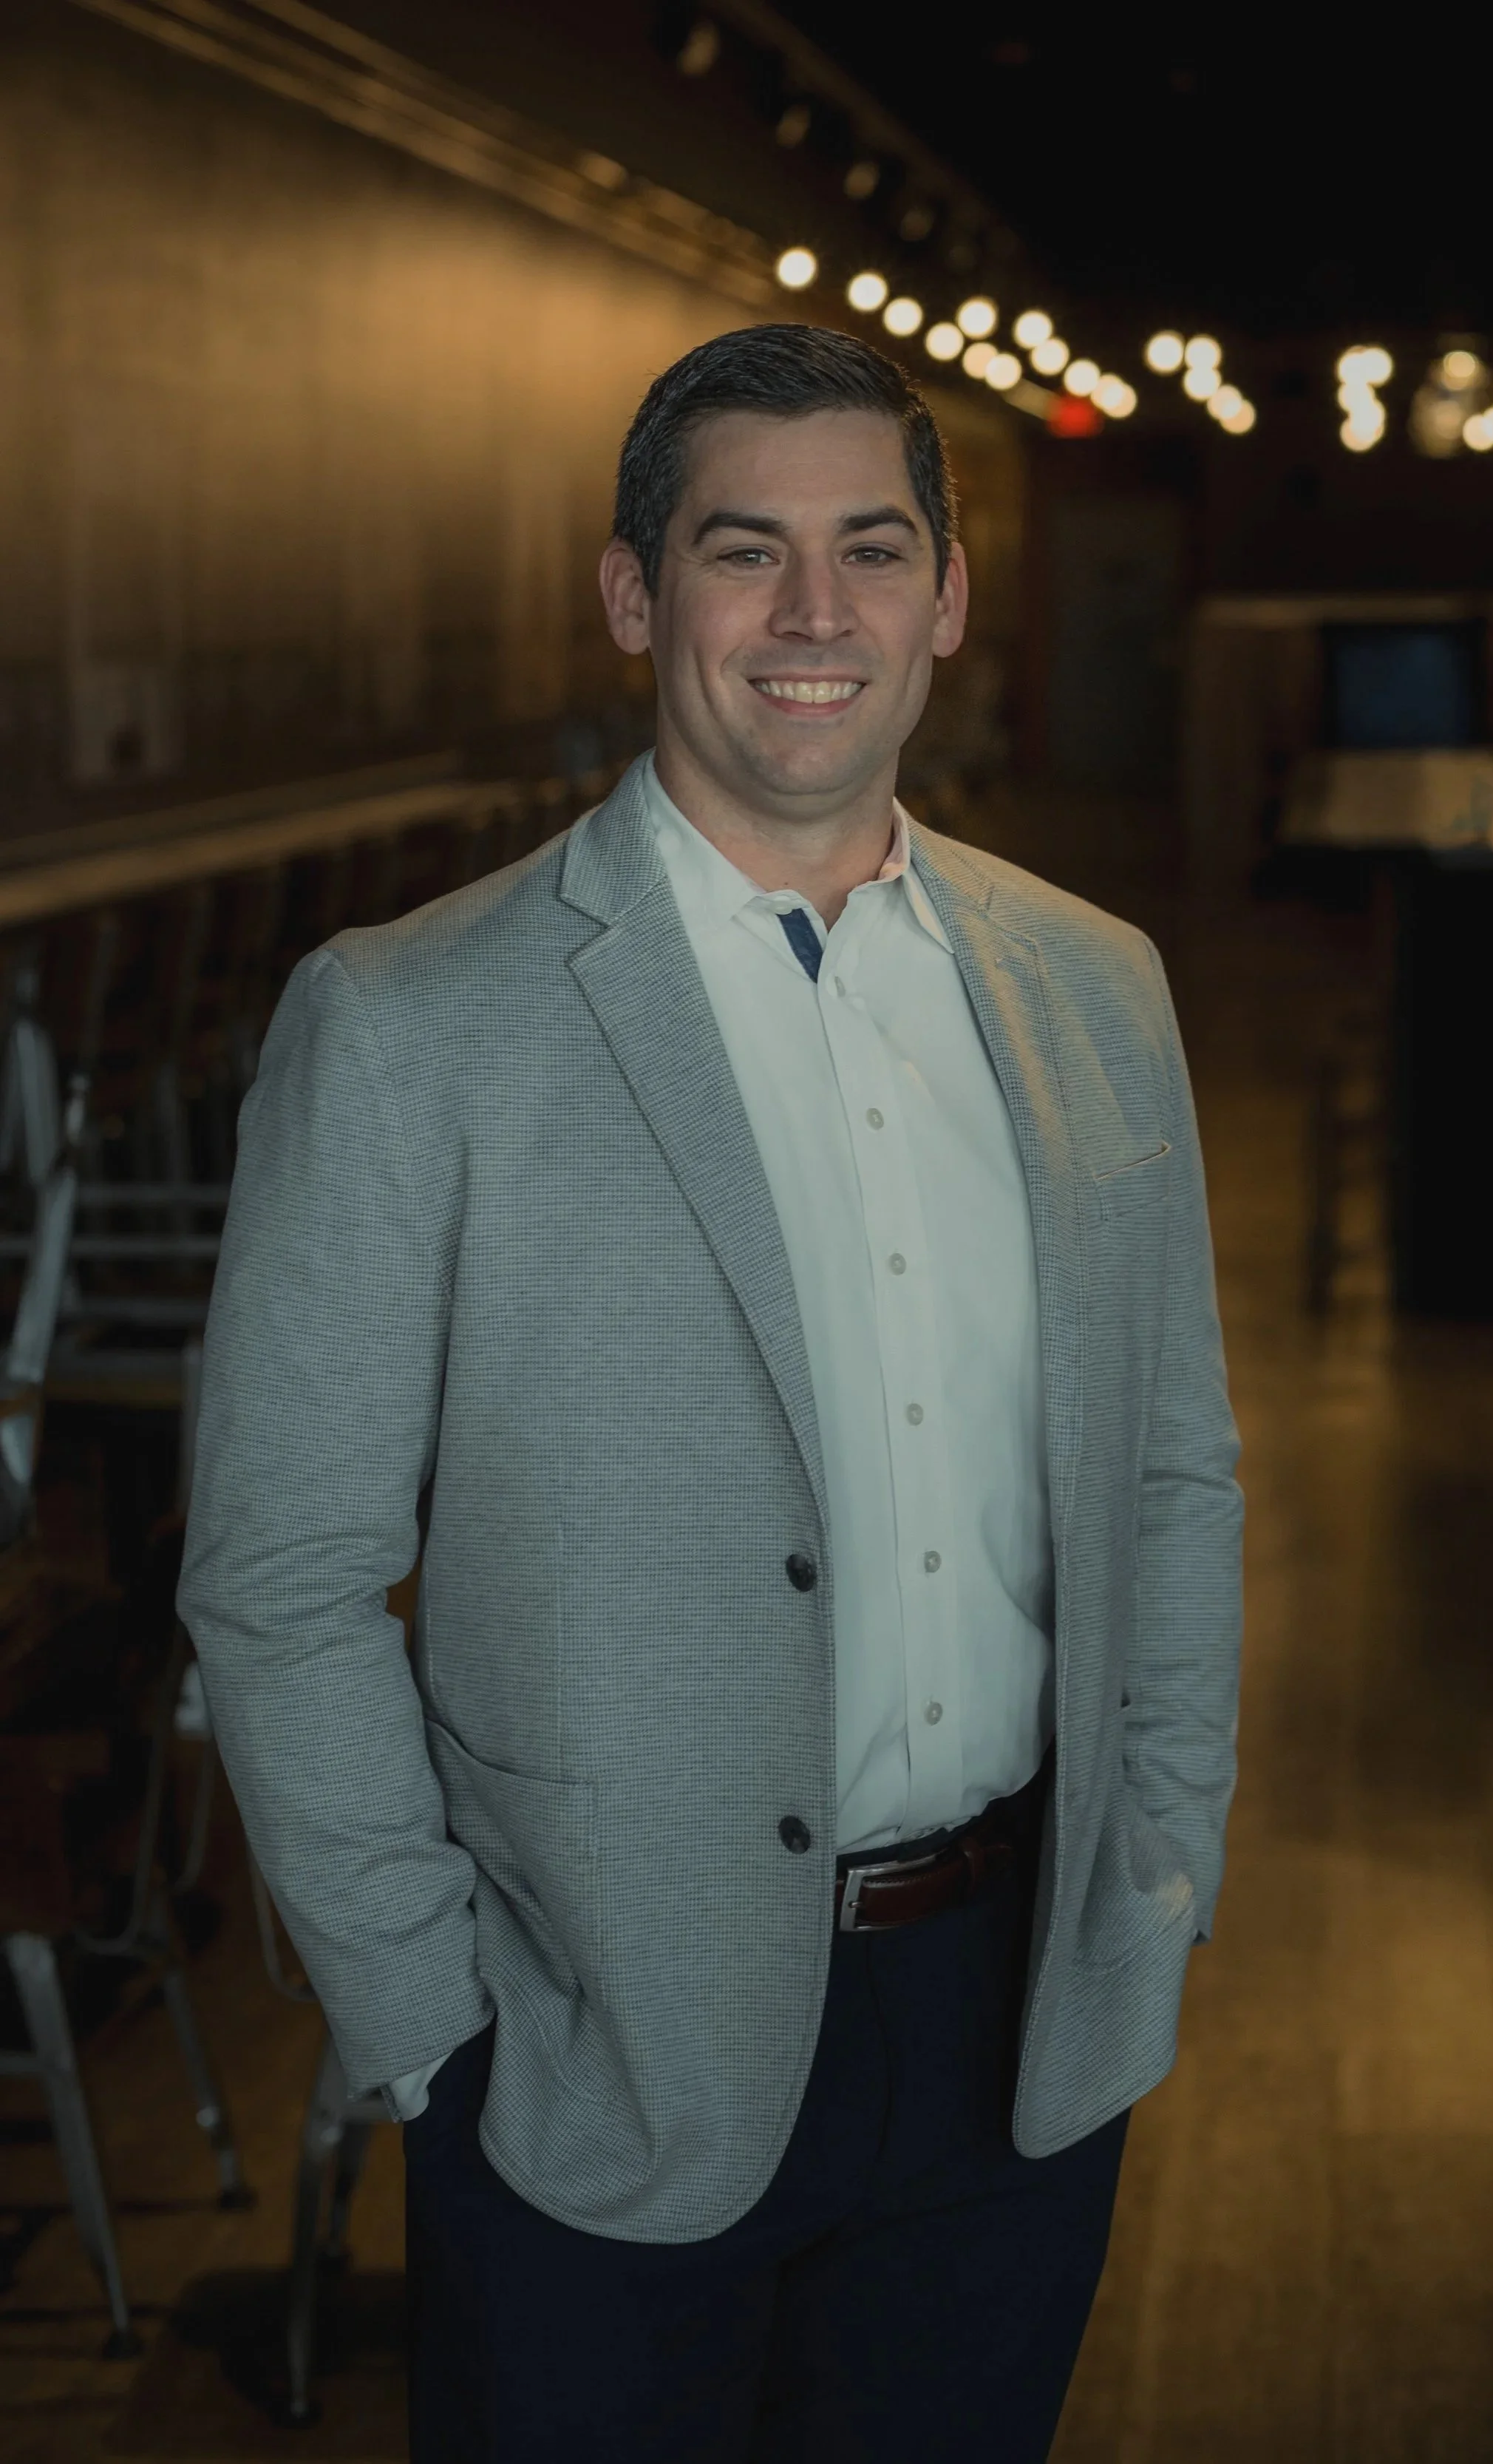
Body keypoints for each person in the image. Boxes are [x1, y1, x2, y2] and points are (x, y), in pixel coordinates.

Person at [179, 324, 1242, 2463]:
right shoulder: (409, 1025)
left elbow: (1167, 1469)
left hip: (1016, 2019)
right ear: (634, 595)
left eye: (870, 550)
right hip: (590, 2040)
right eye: (742, 552)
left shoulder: (1095, 987)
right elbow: (279, 1579)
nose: (813, 616)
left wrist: (1157, 1870)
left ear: (949, 595)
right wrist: (435, 2038)